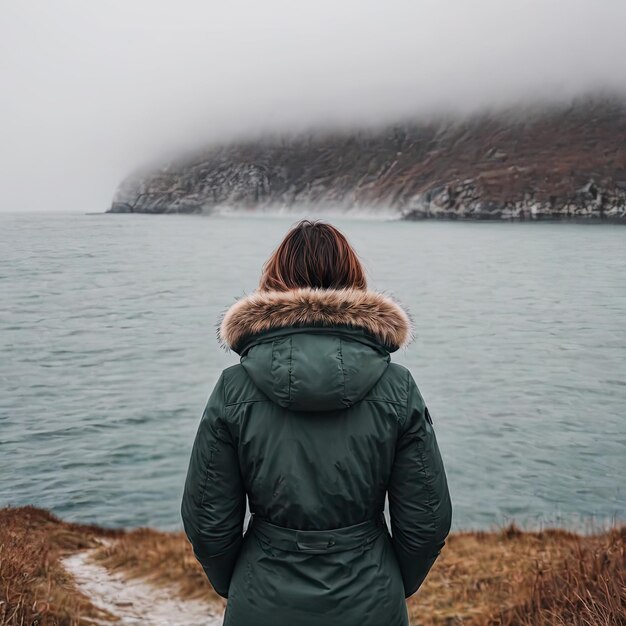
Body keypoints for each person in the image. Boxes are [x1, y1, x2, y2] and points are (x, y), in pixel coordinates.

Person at [181, 220, 452, 626]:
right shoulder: (397, 387)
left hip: (262, 599)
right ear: (354, 283)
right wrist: (390, 580)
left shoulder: (234, 387)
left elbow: (207, 520)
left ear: (273, 282)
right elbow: (426, 520)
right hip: (370, 600)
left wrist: (240, 581)